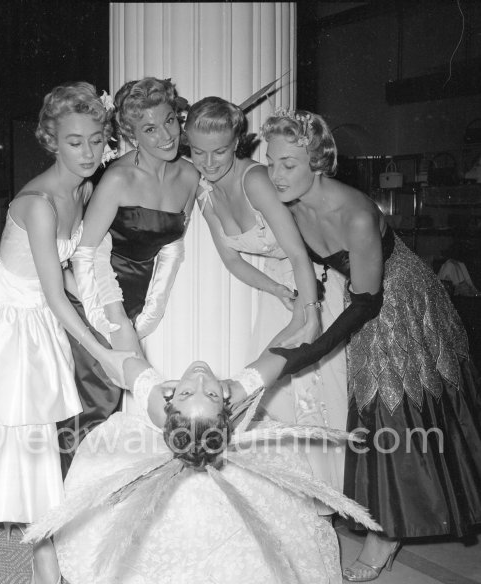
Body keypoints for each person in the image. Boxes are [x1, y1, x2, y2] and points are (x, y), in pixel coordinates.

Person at [262, 108, 481, 581]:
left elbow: (365, 304)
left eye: (289, 164)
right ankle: (378, 515)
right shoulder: (286, 195)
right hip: (360, 293)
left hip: (397, 300)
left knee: (390, 408)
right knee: (367, 406)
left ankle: (387, 532)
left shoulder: (357, 215)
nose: (275, 174)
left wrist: (302, 356)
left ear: (318, 163)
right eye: (271, 161)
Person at [0, 82, 131, 584]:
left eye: (94, 139)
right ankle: (44, 559)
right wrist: (104, 354)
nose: (87, 152)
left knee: (38, 441)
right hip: (3, 318)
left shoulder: (82, 190)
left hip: (37, 311)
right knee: (19, 441)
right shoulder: (39, 202)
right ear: (51, 140)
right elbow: (52, 292)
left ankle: (45, 549)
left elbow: (66, 275)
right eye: (73, 141)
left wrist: (112, 316)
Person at [24, 316, 380, 584]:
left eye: (198, 392)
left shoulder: (160, 399)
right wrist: (306, 312)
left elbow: (117, 347)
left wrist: (306, 311)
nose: (197, 379)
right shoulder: (233, 392)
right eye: (204, 392)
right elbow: (284, 352)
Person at [183, 96, 348, 507]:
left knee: (316, 398)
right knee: (278, 398)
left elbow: (296, 252)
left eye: (219, 151)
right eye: (197, 152)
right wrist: (276, 292)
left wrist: (308, 313)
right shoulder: (204, 195)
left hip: (315, 282)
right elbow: (233, 262)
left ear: (238, 142)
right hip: (281, 288)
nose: (208, 162)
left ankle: (328, 502)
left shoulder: (255, 178)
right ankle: (296, 503)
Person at [58, 77, 199, 472]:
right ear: (131, 134)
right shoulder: (117, 179)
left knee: (127, 403)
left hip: (138, 300)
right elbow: (86, 255)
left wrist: (151, 310)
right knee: (98, 402)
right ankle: (67, 515)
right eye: (150, 129)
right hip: (94, 295)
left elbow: (171, 246)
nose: (167, 135)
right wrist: (113, 316)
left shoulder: (189, 176)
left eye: (170, 120)